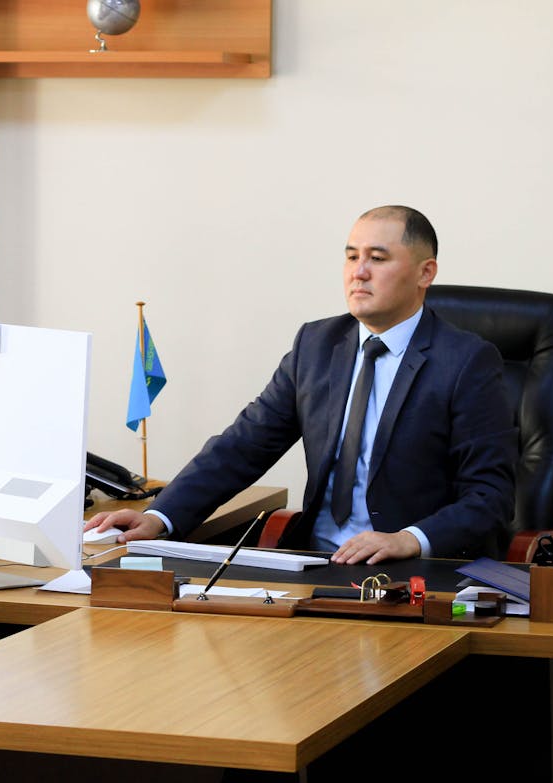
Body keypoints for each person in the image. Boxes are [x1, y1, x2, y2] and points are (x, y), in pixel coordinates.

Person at [86, 205, 517, 564]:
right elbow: (243, 445)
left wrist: (408, 539)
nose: (359, 273)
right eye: (351, 257)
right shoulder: (317, 345)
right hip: (315, 563)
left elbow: (490, 495)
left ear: (425, 273)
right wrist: (160, 517)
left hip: (411, 572)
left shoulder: (466, 362)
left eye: (377, 258)